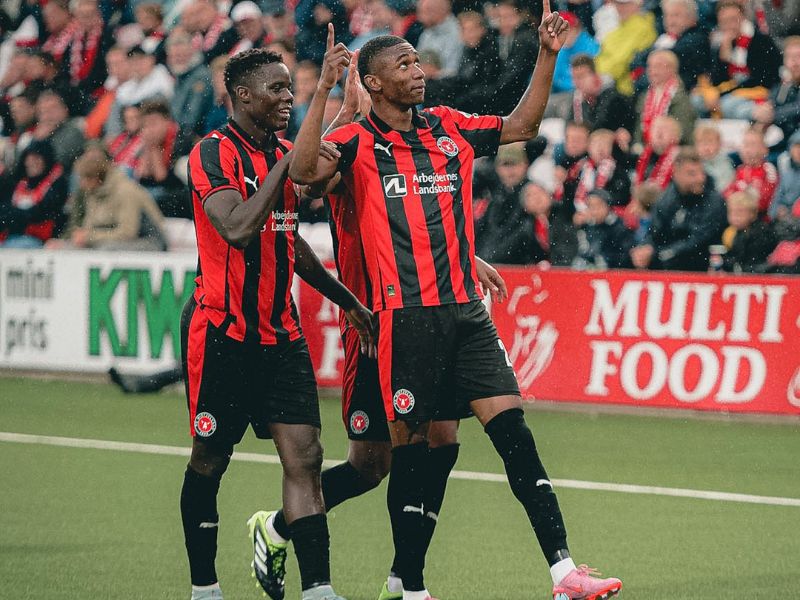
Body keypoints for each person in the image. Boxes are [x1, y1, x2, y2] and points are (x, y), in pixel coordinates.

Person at [288, 10, 622, 600]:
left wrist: (547, 55)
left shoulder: (448, 126)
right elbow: (301, 170)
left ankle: (564, 572)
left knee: (515, 435)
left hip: (466, 313)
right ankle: (410, 587)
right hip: (405, 320)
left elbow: (522, 124)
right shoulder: (356, 142)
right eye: (404, 65)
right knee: (407, 455)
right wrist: (325, 93)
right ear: (375, 82)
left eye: (418, 61)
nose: (418, 71)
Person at [180, 47, 374, 600]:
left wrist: (349, 301)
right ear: (243, 95)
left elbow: (290, 241)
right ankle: (204, 588)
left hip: (282, 337)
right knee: (210, 462)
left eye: (292, 88)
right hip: (223, 334)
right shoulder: (212, 153)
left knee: (306, 458)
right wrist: (286, 165)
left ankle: (318, 590)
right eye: (277, 89)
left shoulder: (287, 153)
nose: (288, 97)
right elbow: (238, 228)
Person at [630, 148, 727, 271]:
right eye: (692, 174)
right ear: (676, 174)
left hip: (702, 266)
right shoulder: (666, 200)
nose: (700, 179)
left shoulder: (714, 201)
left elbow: (699, 241)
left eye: (702, 172)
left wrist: (661, 253)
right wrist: (646, 247)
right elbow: (654, 232)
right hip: (669, 265)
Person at [48, 150, 166, 251]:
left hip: (149, 241)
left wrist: (89, 237)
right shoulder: (93, 191)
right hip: (116, 241)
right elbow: (90, 228)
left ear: (96, 178)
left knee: (105, 250)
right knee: (64, 248)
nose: (81, 185)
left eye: (84, 179)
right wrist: (70, 241)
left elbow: (127, 233)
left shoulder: (126, 191)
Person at [0, 140, 67, 248]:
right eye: (29, 159)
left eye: (36, 159)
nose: (31, 163)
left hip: (38, 239)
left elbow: (42, 212)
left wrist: (14, 215)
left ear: (46, 160)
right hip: (12, 235)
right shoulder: (19, 181)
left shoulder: (57, 183)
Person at [724, 127, 778, 217]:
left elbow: (765, 201)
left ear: (764, 149)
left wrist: (741, 200)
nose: (747, 150)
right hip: (738, 218)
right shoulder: (740, 170)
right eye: (745, 144)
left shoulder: (768, 169)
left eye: (753, 145)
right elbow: (726, 194)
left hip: (760, 219)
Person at [721, 191, 777, 272]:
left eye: (740, 212)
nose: (735, 216)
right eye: (731, 212)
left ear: (752, 214)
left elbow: (753, 263)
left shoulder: (761, 232)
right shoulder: (732, 232)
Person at [694, 124, 734, 190]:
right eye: (702, 143)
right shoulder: (693, 163)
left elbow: (726, 185)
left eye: (710, 142)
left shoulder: (725, 163)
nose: (706, 147)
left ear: (719, 145)